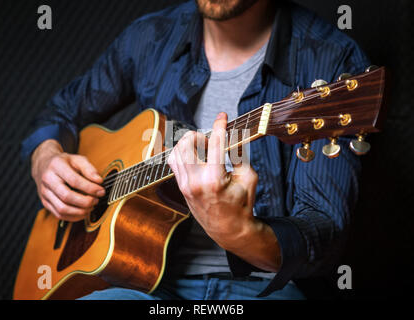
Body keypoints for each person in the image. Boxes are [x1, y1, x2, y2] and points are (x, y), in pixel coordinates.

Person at [21, 0, 370, 300]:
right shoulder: (150, 37)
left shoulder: (330, 60)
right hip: (147, 285)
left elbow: (323, 236)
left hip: (265, 288)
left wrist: (242, 234)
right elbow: (60, 111)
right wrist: (45, 157)